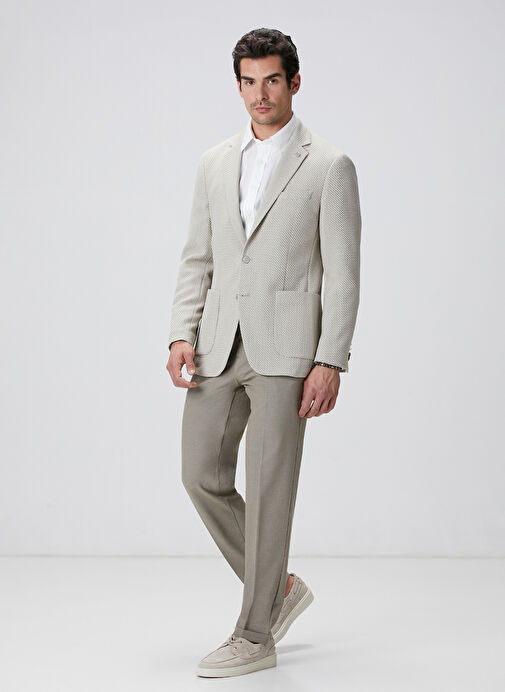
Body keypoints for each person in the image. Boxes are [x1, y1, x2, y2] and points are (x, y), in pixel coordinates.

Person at [166, 27, 362, 678]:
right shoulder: (214, 162)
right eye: (249, 82)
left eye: (272, 80)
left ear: (293, 83)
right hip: (219, 342)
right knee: (200, 474)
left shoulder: (328, 165)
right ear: (238, 86)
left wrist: (330, 359)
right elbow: (197, 256)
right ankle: (278, 587)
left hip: (287, 349)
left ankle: (255, 635)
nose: (260, 94)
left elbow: (343, 274)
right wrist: (181, 331)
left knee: (270, 490)